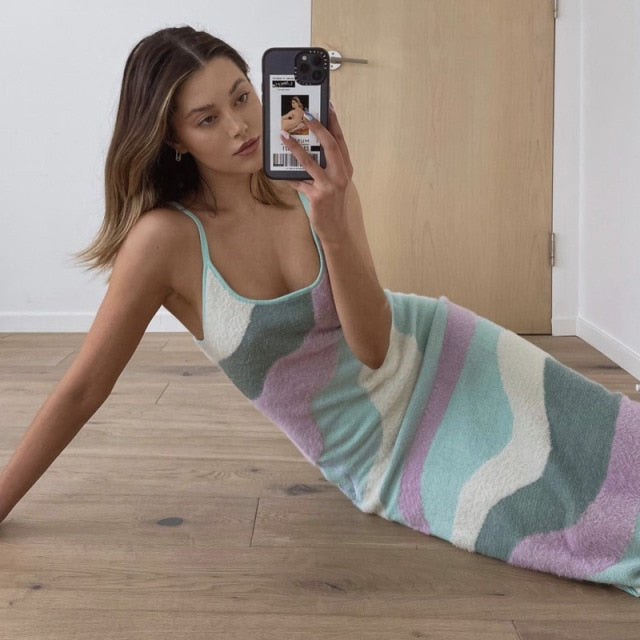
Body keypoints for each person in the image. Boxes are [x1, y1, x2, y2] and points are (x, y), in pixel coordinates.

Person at [1, 26, 640, 597]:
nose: (239, 126)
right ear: (172, 137)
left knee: (618, 441)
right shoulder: (164, 242)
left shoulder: (313, 186)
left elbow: (374, 346)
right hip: (381, 453)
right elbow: (85, 387)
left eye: (242, 97)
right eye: (207, 118)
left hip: (444, 351)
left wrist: (333, 219)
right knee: (580, 531)